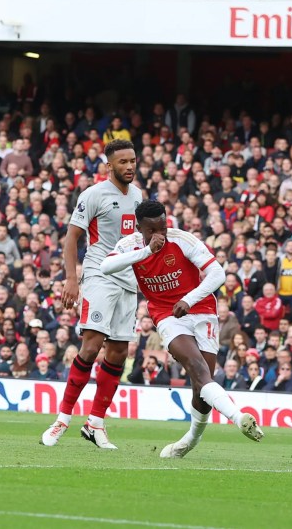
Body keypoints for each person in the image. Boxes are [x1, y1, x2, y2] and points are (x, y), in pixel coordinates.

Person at [100, 200, 263, 458]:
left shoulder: (182, 239)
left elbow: (217, 274)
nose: (160, 234)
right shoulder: (129, 246)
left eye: (162, 226)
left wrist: (190, 299)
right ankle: (238, 416)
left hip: (201, 310)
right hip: (167, 315)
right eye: (152, 230)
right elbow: (105, 267)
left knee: (202, 386)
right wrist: (146, 253)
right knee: (197, 368)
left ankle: (190, 440)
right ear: (140, 228)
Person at [41, 140, 144, 450]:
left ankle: (95, 423)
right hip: (100, 274)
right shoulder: (93, 195)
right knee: (92, 345)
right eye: (123, 161)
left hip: (128, 281)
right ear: (108, 166)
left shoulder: (138, 196)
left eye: (132, 160)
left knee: (118, 353)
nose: (129, 166)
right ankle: (62, 419)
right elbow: (72, 237)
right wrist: (72, 278)